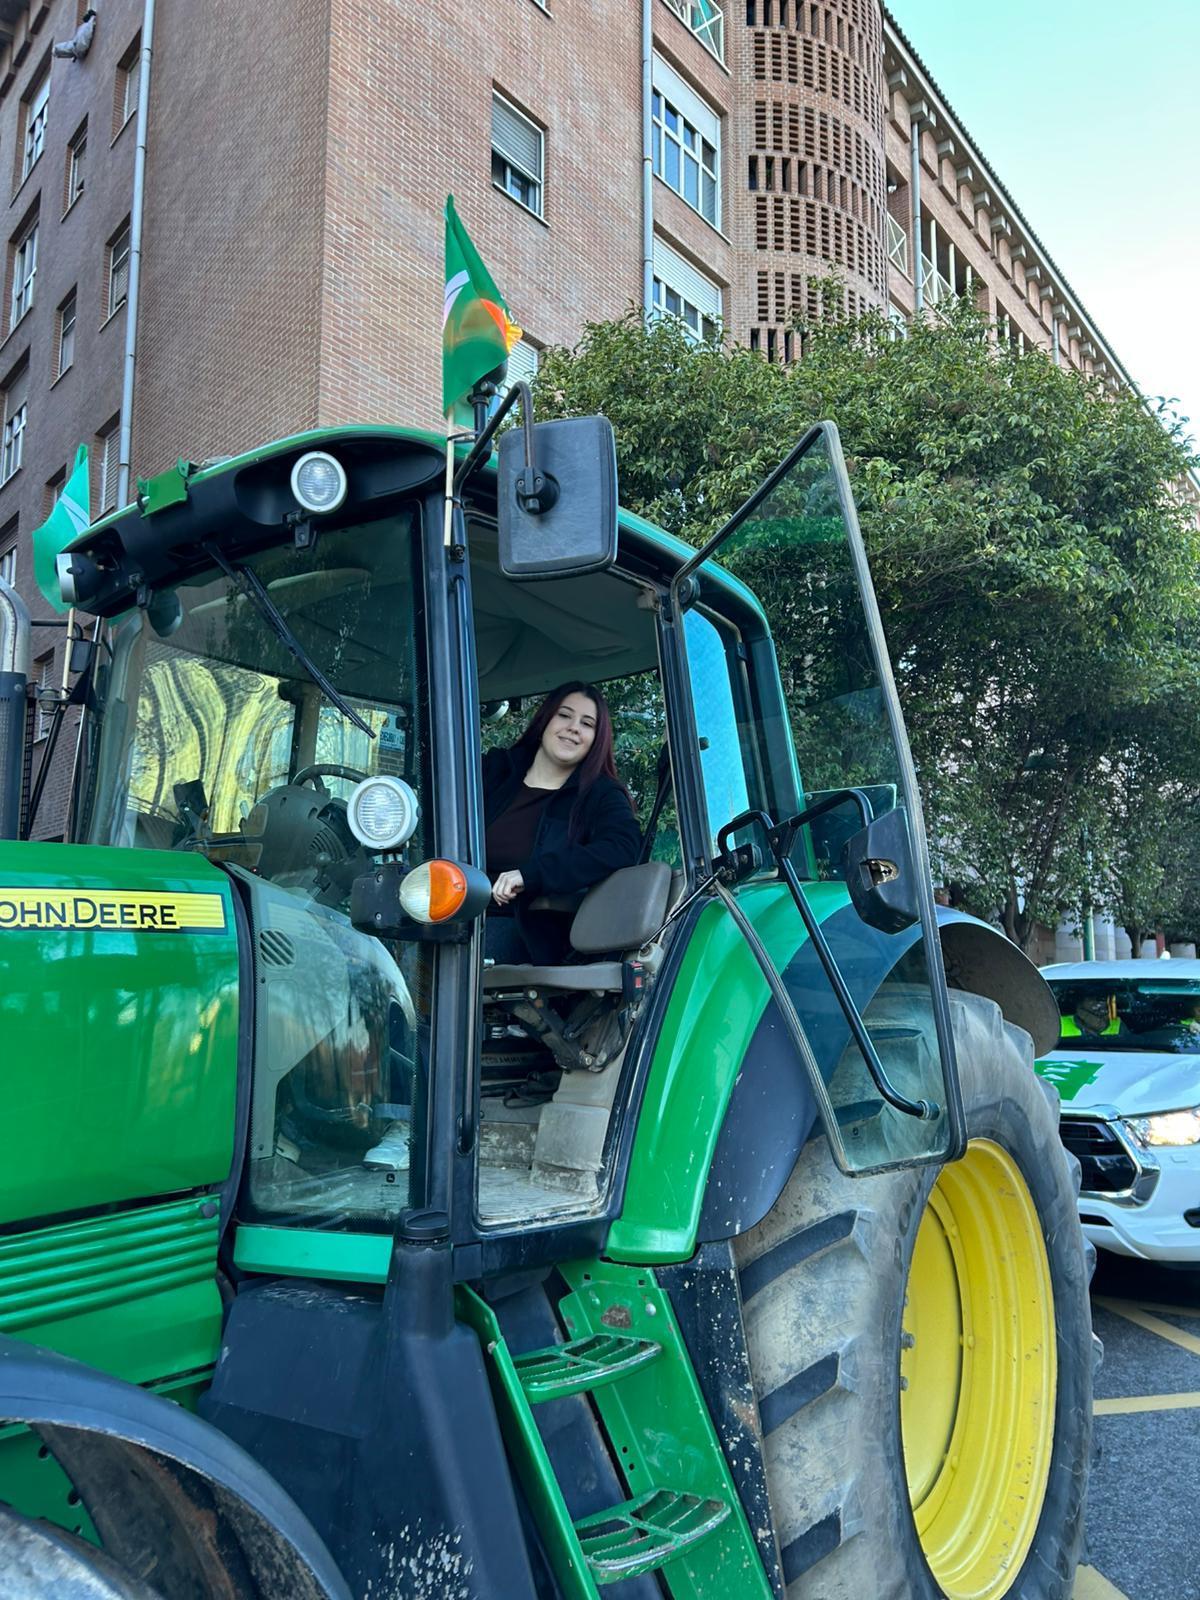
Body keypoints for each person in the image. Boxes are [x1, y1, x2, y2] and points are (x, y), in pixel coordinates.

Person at [482, 682, 640, 965]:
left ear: (596, 738)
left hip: (519, 928)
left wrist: (531, 876)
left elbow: (623, 847)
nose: (574, 727)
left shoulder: (600, 794)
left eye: (587, 723)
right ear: (545, 719)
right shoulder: (495, 770)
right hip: (450, 908)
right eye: (564, 715)